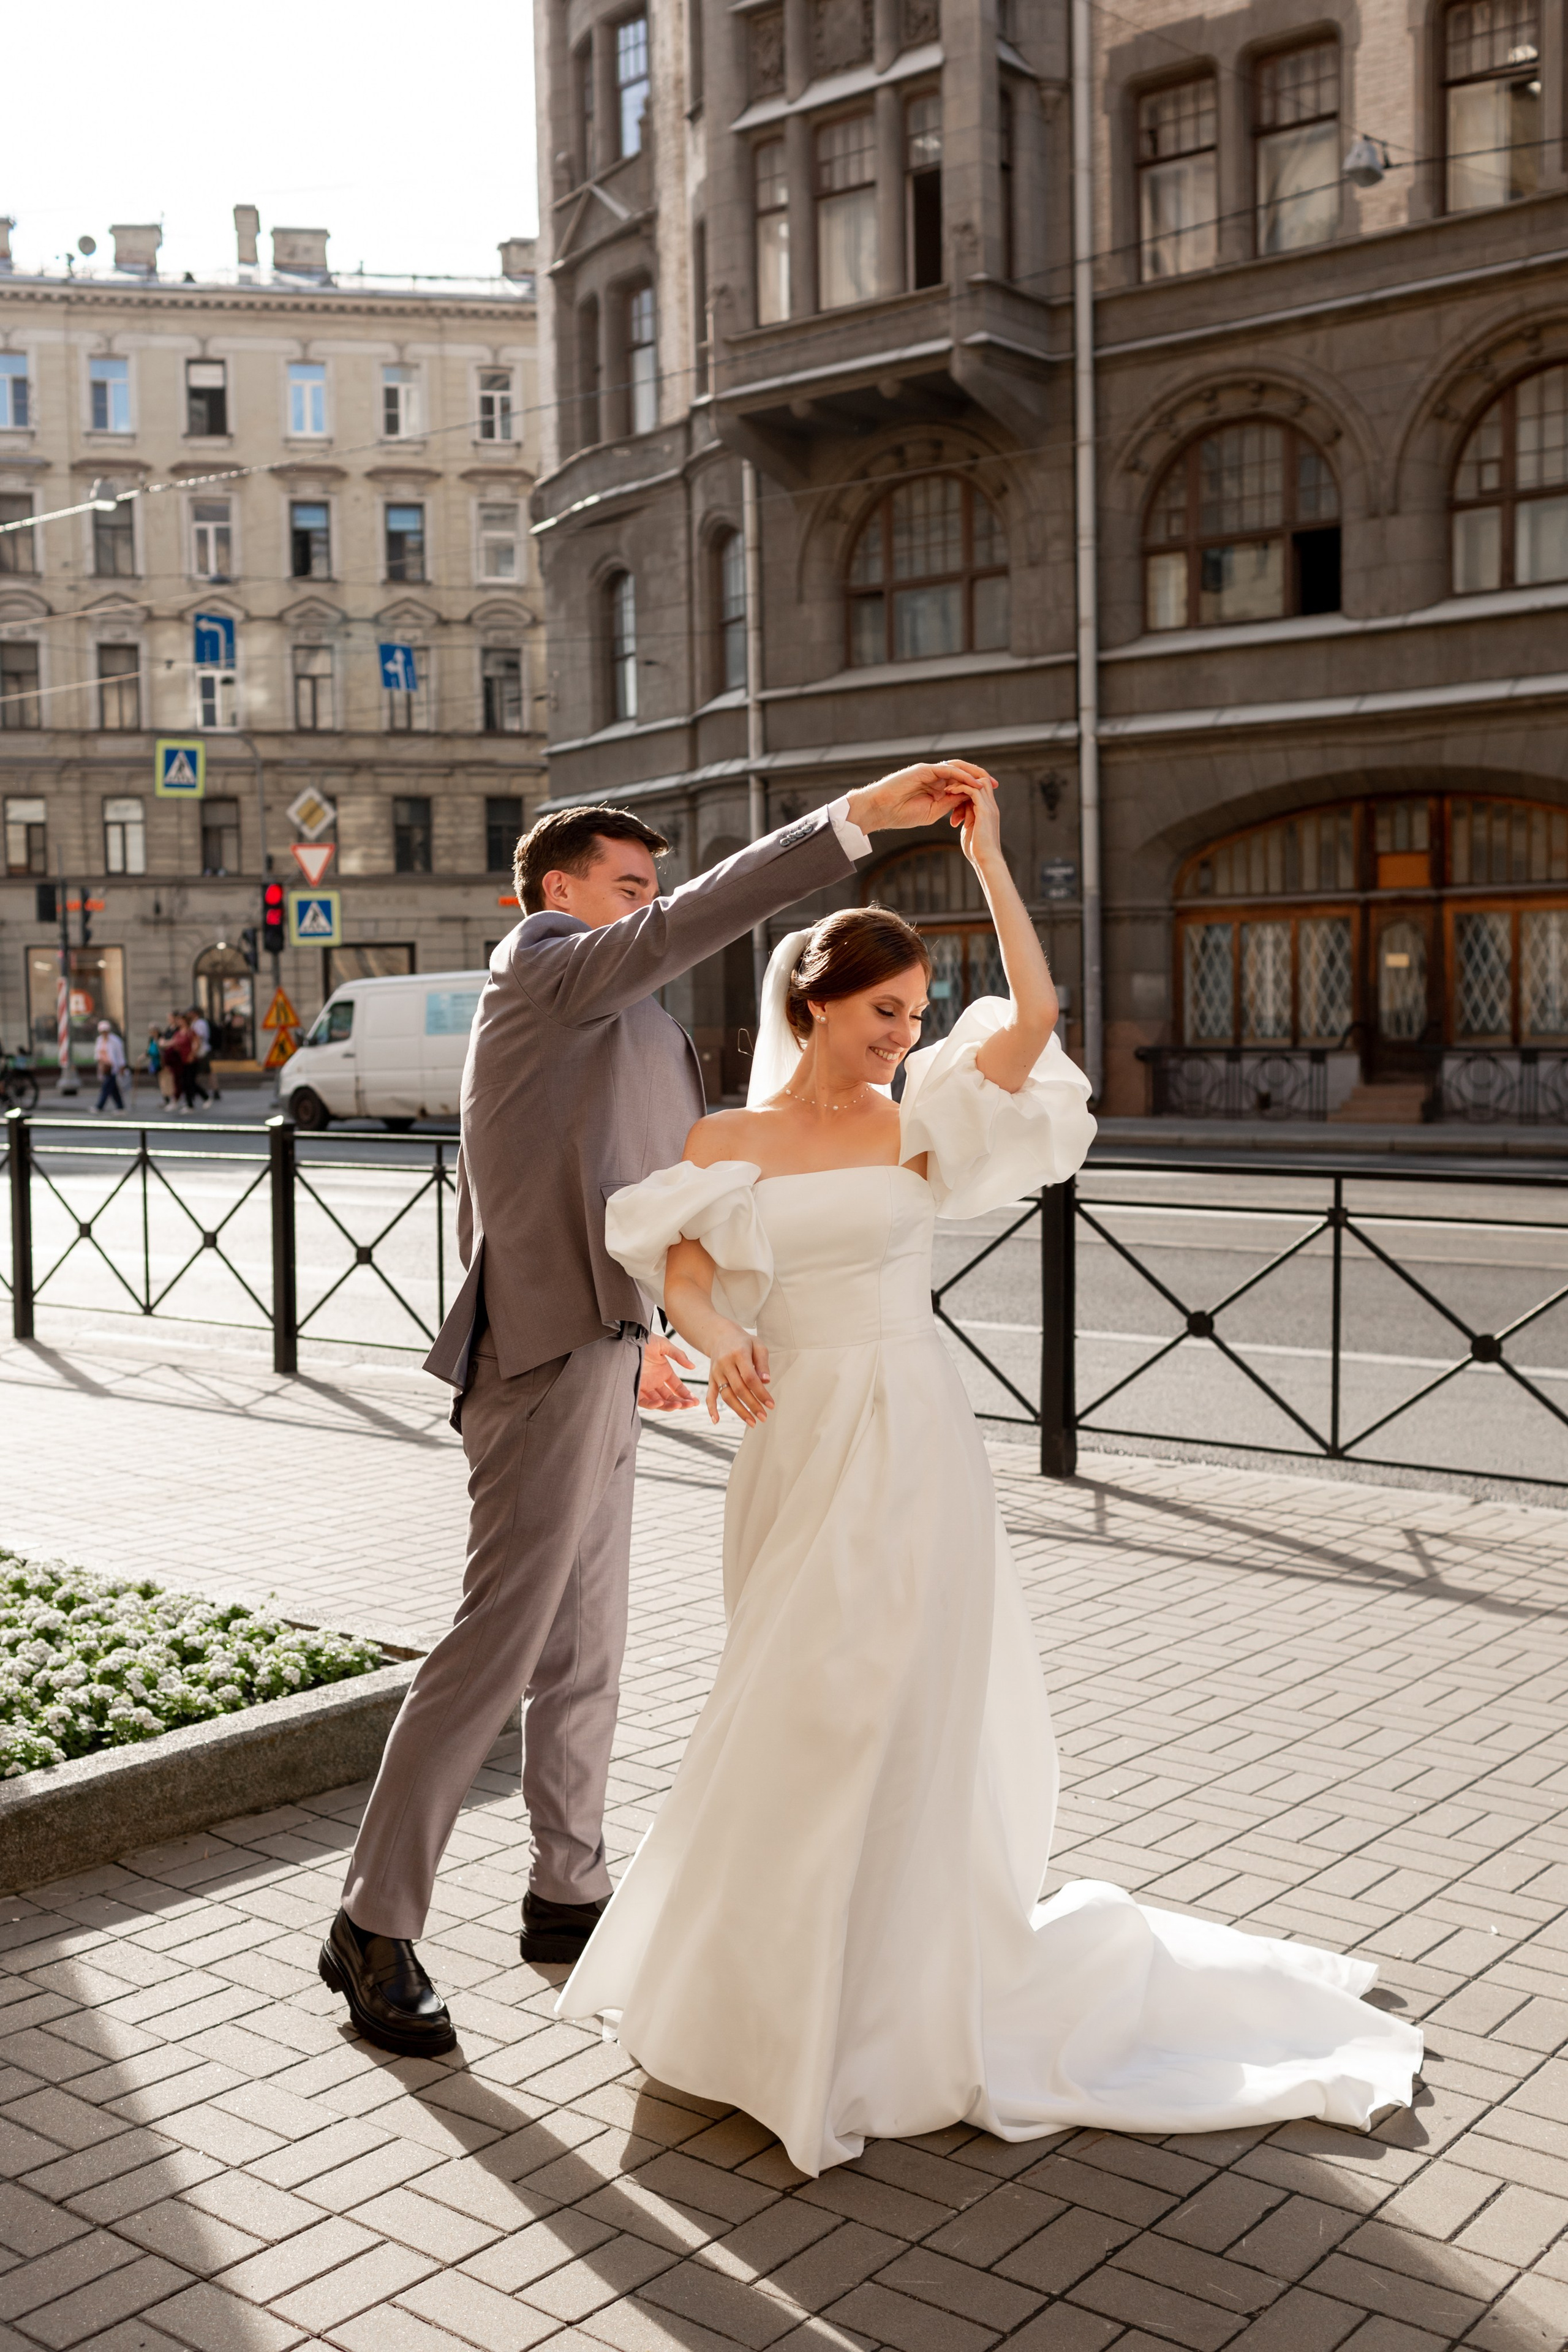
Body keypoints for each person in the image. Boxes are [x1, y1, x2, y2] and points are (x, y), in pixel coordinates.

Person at [558, 774, 1422, 2177]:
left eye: (912, 1011)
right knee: (796, 1693)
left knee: (894, 1698)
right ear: (813, 1006)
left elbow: (1030, 1019)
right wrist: (716, 1339)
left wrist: (992, 864)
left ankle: (880, 1995)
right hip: (795, 1434)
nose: (905, 1033)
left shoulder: (922, 1121)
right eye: (883, 1011)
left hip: (915, 1435)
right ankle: (758, 1995)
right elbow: (687, 1269)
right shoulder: (729, 1140)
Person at [320, 764, 987, 2059]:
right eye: (630, 887)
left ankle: (565, 1893)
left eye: (652, 890)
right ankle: (371, 1918)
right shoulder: (544, 966)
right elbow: (691, 930)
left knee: (588, 1652)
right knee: (497, 1649)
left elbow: (637, 1190)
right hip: (535, 1361)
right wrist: (851, 822)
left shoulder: (626, 1019)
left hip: (602, 1347)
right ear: (558, 893)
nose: (651, 908)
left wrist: (658, 1327)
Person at [92, 1021, 126, 1113]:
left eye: (106, 1031)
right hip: (104, 1068)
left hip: (113, 1068)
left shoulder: (115, 1041)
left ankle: (100, 1106)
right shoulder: (99, 1040)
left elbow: (120, 1055)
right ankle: (120, 1107)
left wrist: (122, 1066)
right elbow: (98, 1054)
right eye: (102, 1031)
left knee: (106, 1088)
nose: (104, 1033)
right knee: (114, 1089)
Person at [187, 1006, 216, 1102]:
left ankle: (214, 1090)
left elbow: (199, 1038)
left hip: (202, 1051)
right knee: (201, 1072)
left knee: (205, 1072)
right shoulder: (194, 1023)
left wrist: (194, 1051)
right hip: (199, 1051)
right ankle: (198, 1091)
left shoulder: (200, 1023)